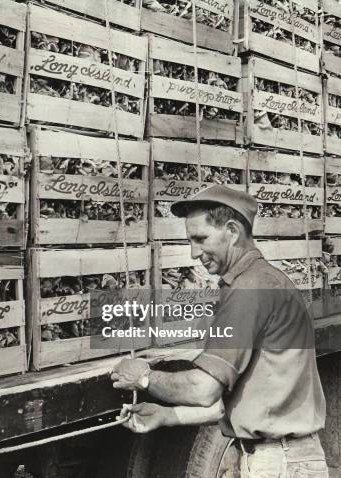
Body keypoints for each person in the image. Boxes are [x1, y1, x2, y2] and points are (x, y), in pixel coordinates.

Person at [110, 185, 328, 477]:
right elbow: (244, 401)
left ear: (232, 231)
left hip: (279, 463)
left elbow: (204, 390)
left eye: (201, 239)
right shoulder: (267, 280)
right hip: (288, 456)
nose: (193, 252)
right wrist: (167, 415)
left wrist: (143, 378)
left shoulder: (250, 289)